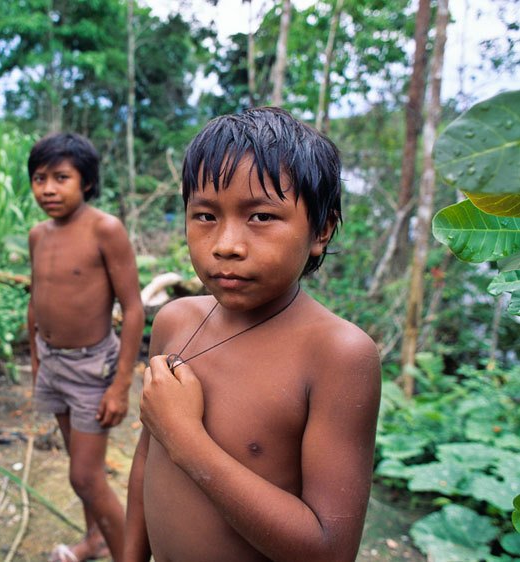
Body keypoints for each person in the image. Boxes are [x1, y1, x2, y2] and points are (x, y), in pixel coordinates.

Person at [124, 107, 381, 562]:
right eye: (205, 215)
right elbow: (147, 462)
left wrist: (185, 439)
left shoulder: (338, 355)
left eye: (261, 216)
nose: (226, 244)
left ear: (321, 229)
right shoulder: (174, 321)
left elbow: (329, 549)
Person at [27, 132, 145, 562]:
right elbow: (35, 297)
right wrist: (38, 359)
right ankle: (93, 539)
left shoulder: (105, 229)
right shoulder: (38, 235)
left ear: (87, 183)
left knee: (86, 475)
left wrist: (120, 384)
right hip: (53, 363)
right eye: (39, 178)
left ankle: (126, 555)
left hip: (93, 367)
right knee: (79, 466)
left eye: (61, 177)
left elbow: (133, 309)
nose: (49, 189)